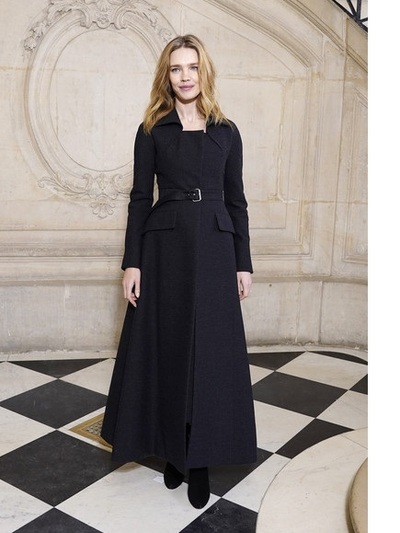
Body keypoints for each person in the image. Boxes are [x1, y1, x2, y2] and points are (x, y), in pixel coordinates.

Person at [101, 34, 257, 510]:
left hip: (215, 248)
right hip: (164, 250)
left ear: (204, 72)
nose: (185, 76)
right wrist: (132, 262)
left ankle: (201, 458)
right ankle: (173, 450)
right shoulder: (152, 129)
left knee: (210, 357)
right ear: (166, 76)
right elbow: (138, 198)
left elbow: (236, 201)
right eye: (176, 68)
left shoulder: (227, 131)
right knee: (169, 353)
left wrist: (243, 262)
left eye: (192, 67)